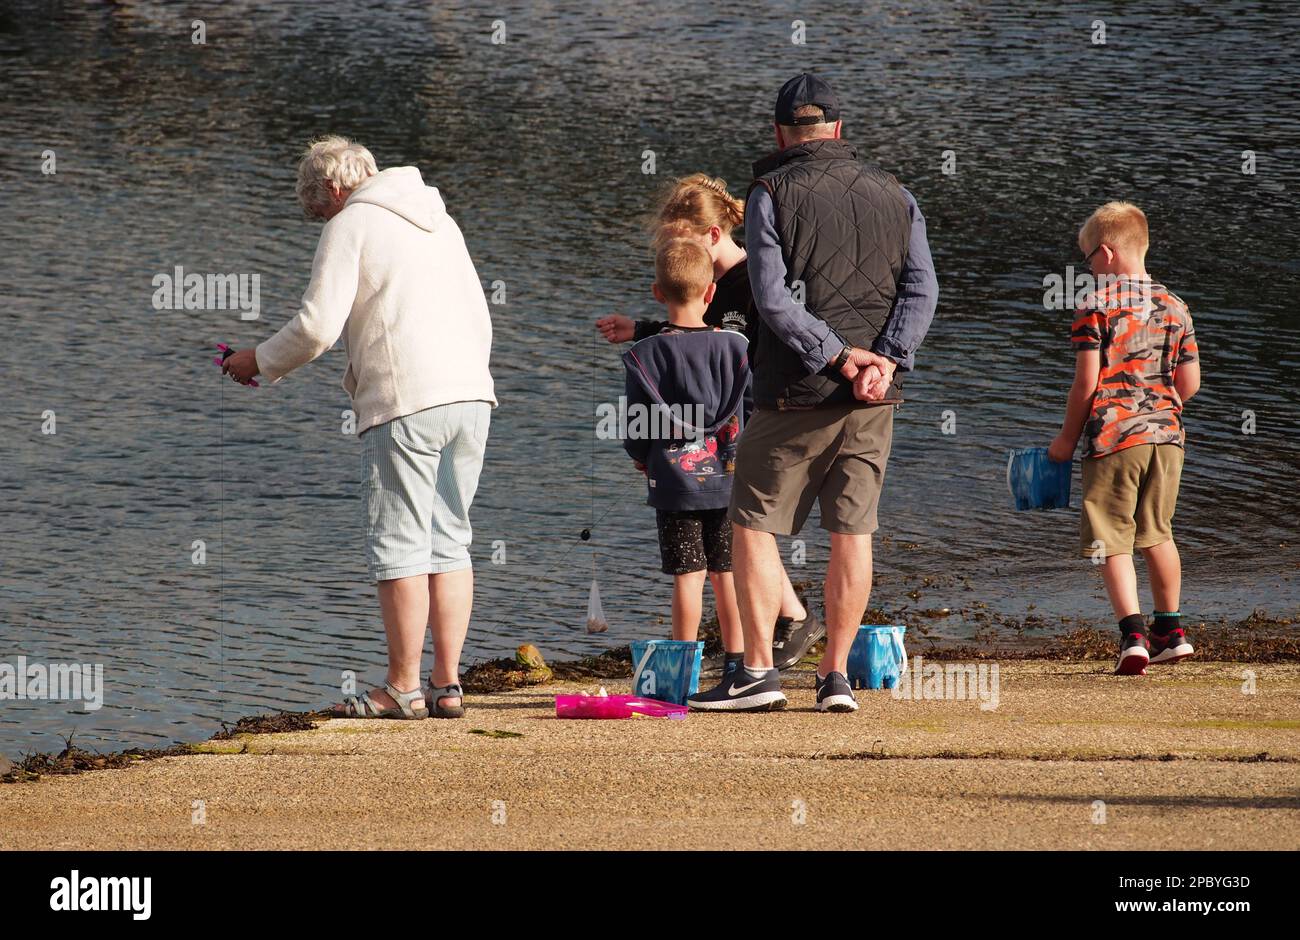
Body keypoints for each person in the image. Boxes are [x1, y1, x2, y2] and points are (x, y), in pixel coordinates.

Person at [688, 73, 939, 713]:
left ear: (779, 132)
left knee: (750, 521)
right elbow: (921, 292)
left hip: (796, 392)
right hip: (874, 396)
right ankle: (835, 681)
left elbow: (771, 299)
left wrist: (834, 354)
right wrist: (885, 358)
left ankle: (757, 675)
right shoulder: (897, 193)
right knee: (853, 532)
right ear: (838, 129)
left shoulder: (770, 191)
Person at [221, 136, 495, 719]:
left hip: (406, 398)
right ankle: (448, 685)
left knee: (399, 542)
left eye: (319, 210)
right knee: (451, 540)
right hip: (472, 394)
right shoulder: (439, 219)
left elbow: (318, 326)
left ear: (334, 190)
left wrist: (259, 360)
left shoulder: (352, 223)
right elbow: (479, 309)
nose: (322, 220)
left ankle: (402, 688)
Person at [596, 174, 823, 672]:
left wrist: (643, 453)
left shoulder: (756, 283)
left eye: (684, 241)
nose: (678, 249)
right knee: (732, 555)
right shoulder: (714, 295)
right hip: (726, 447)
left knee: (723, 557)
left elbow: (722, 341)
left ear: (714, 236)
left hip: (760, 419)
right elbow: (697, 332)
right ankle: (750, 646)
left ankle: (753, 637)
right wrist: (644, 328)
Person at [1048, 201, 1200, 675]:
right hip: (1167, 439)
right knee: (1157, 533)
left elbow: (1086, 384)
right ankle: (1170, 632)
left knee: (1111, 539)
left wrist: (1065, 443)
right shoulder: (1176, 305)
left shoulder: (1095, 304)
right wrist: (1157, 409)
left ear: (1108, 254)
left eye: (1089, 257)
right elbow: (1189, 383)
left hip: (1113, 438)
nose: (1087, 267)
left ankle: (1132, 636)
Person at [622, 238, 752, 666]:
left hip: (676, 484)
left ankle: (684, 668)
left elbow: (637, 424)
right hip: (731, 479)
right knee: (727, 575)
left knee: (688, 577)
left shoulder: (646, 353)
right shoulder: (736, 347)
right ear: (711, 291)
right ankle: (738, 661)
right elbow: (749, 409)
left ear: (657, 292)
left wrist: (642, 457)